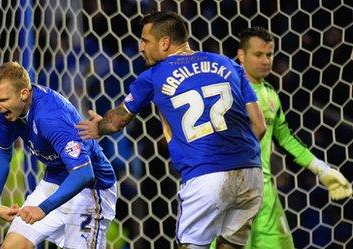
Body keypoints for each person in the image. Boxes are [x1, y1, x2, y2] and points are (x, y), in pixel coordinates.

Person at [76, 11, 267, 249]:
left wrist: (99, 126)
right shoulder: (229, 65)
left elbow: (117, 121)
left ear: (164, 42)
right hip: (251, 173)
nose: (141, 47)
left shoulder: (154, 76)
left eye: (145, 40)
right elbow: (259, 126)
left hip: (205, 176)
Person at [213, 27, 351, 249]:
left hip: (264, 193)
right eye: (258, 55)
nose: (266, 61)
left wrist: (322, 170)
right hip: (232, 194)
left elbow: (286, 139)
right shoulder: (227, 92)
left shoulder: (270, 95)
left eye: (269, 55)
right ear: (241, 55)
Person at [0, 62, 117, 249]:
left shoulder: (50, 117)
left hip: (91, 189)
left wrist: (43, 208)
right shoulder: (8, 110)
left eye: (2, 100)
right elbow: (2, 150)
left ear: (24, 94)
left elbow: (84, 173)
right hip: (56, 181)